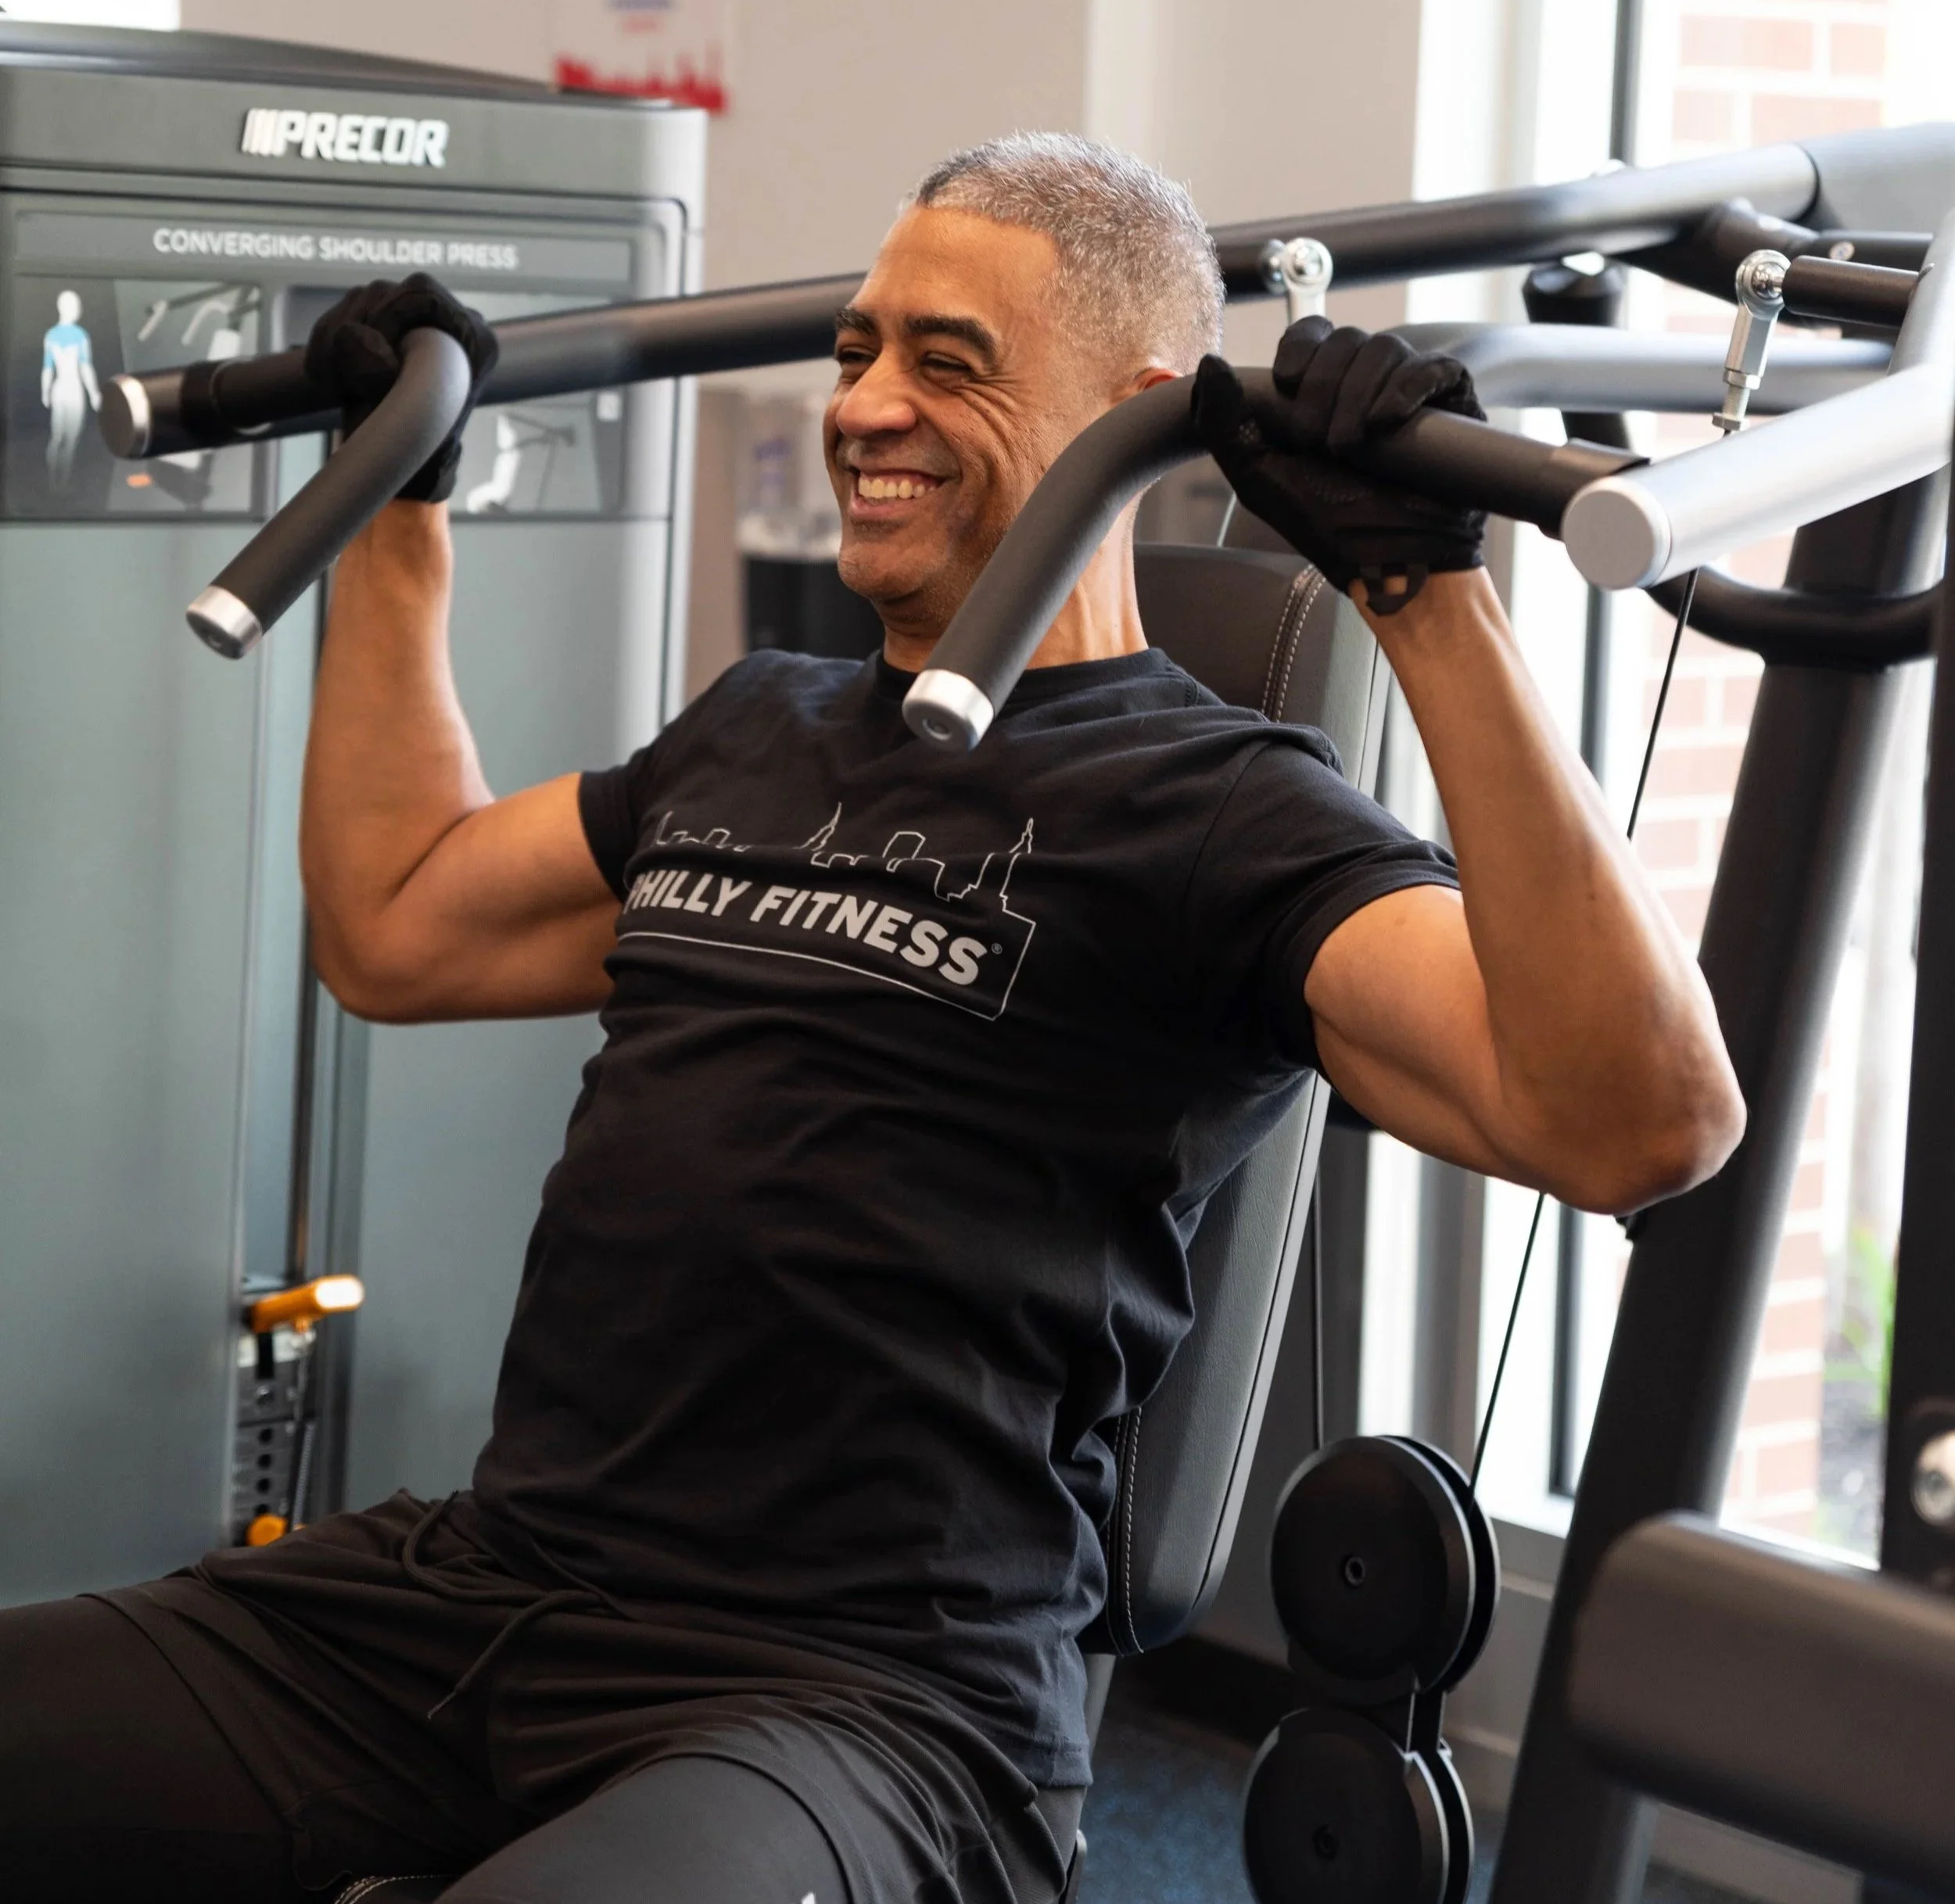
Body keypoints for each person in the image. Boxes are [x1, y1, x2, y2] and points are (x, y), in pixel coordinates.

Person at [0, 134, 1742, 1904]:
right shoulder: (758, 725)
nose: (866, 408)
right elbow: (395, 926)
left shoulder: (1220, 808)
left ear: (1136, 410)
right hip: (476, 1594)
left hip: (868, 1709)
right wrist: (407, 504)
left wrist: (1426, 601)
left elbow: (1637, 1122)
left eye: (948, 362)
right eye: (855, 350)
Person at [41, 288, 102, 488]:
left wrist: (45, 392)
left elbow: (48, 369)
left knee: (57, 438)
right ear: (65, 308)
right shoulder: (80, 335)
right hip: (74, 390)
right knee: (69, 442)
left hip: (58, 390)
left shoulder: (50, 335)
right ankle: (61, 485)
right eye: (76, 305)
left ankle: (53, 483)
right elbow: (86, 367)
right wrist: (94, 393)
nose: (79, 309)